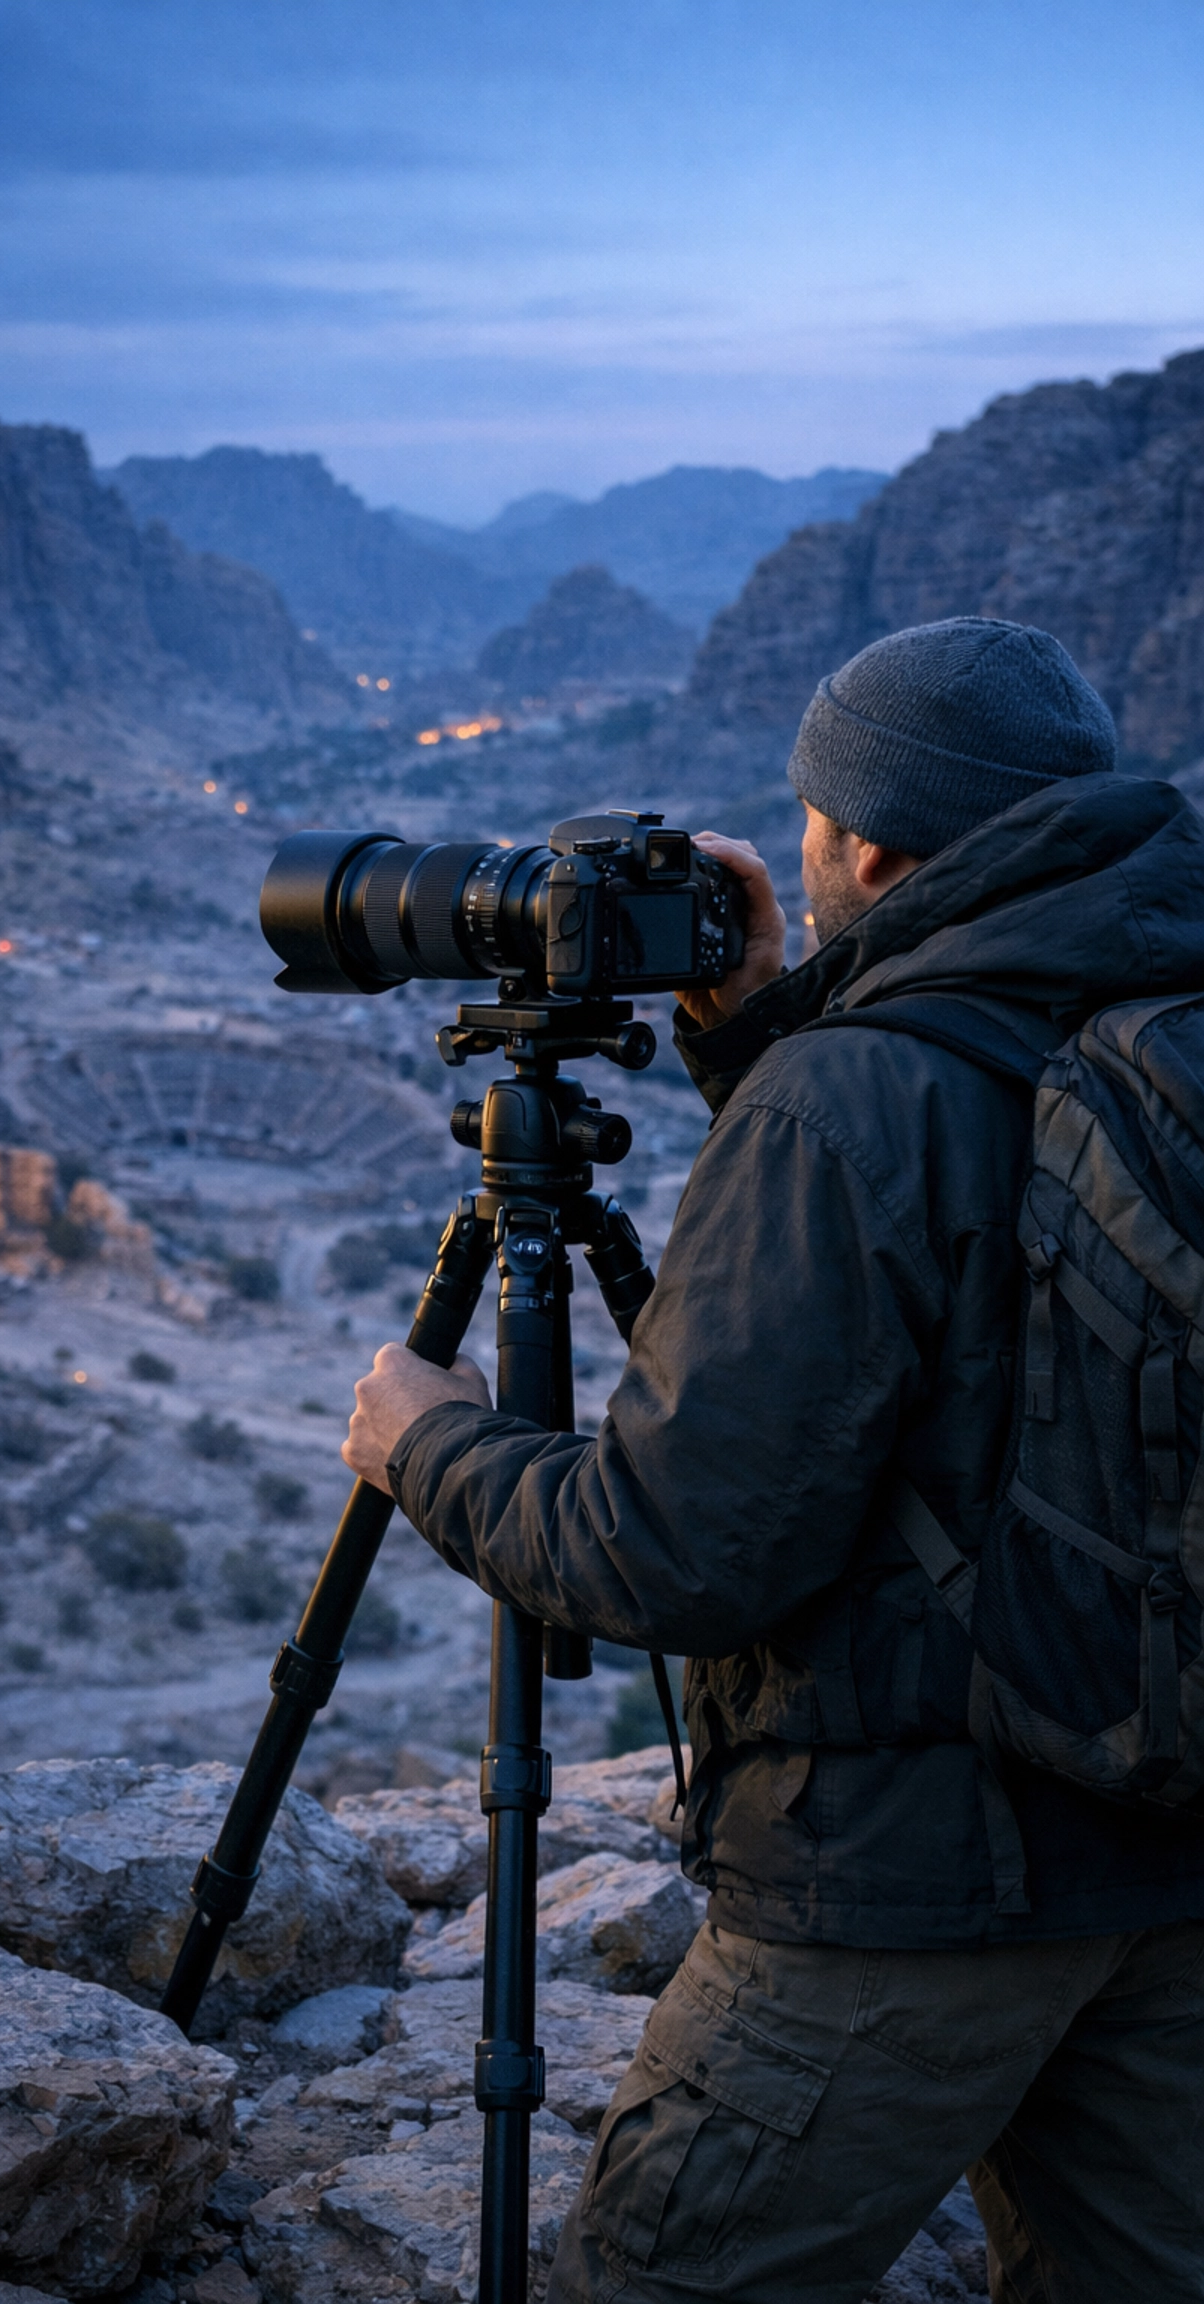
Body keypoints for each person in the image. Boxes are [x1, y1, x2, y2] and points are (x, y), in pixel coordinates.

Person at [341, 617, 1204, 2304]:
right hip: (1168, 1862)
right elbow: (1003, 1290)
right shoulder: (1159, 1014)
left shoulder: (852, 1102)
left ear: (867, 849)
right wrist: (763, 1042)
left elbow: (674, 1551)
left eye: (812, 825)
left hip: (903, 1895)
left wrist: (427, 1443)